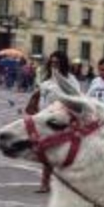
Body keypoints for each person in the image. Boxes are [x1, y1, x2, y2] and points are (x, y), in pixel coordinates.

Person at [27, 51, 73, 193]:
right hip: (45, 120)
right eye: (52, 62)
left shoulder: (70, 80)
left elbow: (76, 100)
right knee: (46, 152)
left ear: (63, 64)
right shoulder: (46, 80)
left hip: (61, 121)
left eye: (57, 63)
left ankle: (62, 183)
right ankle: (45, 182)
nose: (54, 65)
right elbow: (39, 97)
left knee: (61, 154)